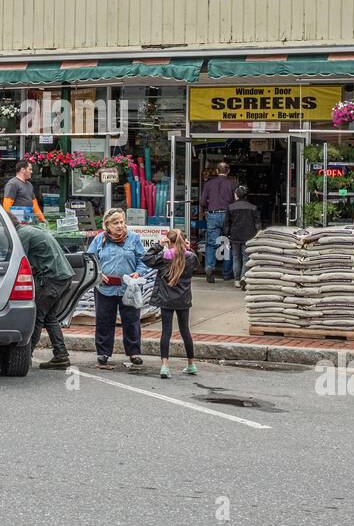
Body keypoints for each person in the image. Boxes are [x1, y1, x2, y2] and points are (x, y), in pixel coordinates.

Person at [86, 208, 147, 369]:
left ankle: (134, 353)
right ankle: (103, 353)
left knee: (131, 320)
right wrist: (99, 274)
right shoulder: (99, 239)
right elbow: (90, 260)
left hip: (128, 287)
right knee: (104, 320)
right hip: (105, 287)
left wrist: (138, 272)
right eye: (115, 223)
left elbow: (143, 259)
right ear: (107, 225)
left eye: (121, 221)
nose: (120, 225)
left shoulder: (133, 238)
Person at [14, 217, 74, 369]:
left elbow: (18, 260)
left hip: (51, 280)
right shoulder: (32, 230)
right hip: (63, 278)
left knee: (36, 318)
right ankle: (61, 355)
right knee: (50, 317)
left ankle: (26, 356)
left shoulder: (22, 235)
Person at [143, 227, 197, 378]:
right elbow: (195, 264)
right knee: (185, 330)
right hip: (183, 299)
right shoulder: (191, 258)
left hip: (166, 299)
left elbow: (146, 258)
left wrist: (158, 245)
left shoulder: (164, 257)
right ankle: (191, 363)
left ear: (169, 242)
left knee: (166, 331)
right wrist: (187, 248)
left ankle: (165, 366)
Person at [200, 160, 239, 283]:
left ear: (217, 171)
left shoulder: (209, 184)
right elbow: (236, 202)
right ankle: (226, 273)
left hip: (212, 215)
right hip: (228, 215)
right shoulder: (233, 184)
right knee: (227, 243)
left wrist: (209, 205)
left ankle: (209, 267)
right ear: (228, 171)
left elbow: (202, 202)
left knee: (212, 244)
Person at [222, 185, 260, 285]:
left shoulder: (230, 207)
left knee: (235, 257)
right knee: (246, 258)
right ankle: (244, 277)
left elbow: (226, 223)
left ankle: (236, 280)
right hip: (249, 236)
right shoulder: (253, 207)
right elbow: (257, 224)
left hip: (235, 236)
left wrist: (227, 234)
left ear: (237, 195)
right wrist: (258, 235)